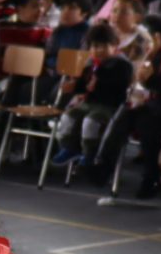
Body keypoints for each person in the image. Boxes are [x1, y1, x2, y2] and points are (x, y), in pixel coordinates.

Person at [94, 6, 161, 203]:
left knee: (145, 121)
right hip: (157, 107)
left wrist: (152, 82)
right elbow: (153, 84)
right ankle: (104, 163)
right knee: (127, 112)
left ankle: (152, 176)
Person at [50, 20, 131, 171]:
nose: (98, 51)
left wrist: (99, 84)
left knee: (90, 122)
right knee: (68, 117)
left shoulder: (122, 65)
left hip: (108, 106)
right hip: (89, 103)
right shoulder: (91, 64)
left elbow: (119, 86)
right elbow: (83, 85)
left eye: (103, 46)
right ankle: (69, 147)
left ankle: (90, 153)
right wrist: (74, 87)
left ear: (114, 45)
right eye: (94, 46)